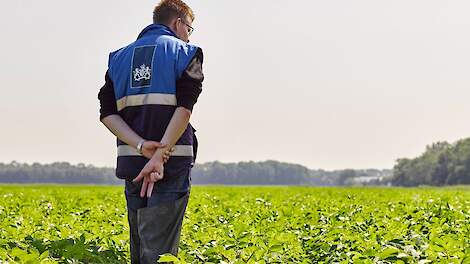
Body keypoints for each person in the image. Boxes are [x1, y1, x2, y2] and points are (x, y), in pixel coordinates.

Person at [97, 0, 204, 262]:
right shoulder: (187, 52)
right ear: (178, 23)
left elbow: (107, 114)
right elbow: (185, 108)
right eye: (189, 28)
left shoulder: (118, 58)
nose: (189, 35)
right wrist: (159, 156)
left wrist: (142, 146)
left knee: (140, 250)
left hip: (134, 164)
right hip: (171, 166)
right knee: (159, 253)